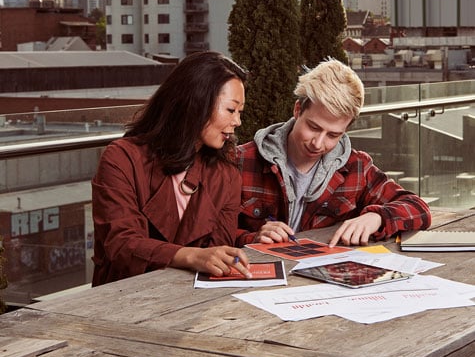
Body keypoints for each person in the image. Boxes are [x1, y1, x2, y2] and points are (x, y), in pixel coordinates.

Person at [92, 51, 251, 286]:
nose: (237, 122)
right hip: (121, 297)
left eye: (240, 112)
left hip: (191, 300)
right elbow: (121, 244)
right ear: (196, 102)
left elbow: (220, 249)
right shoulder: (121, 157)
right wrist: (190, 256)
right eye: (230, 110)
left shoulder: (225, 171)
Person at [236, 58, 431, 248]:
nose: (318, 143)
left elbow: (419, 209)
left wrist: (378, 217)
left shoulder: (356, 167)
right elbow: (210, 234)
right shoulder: (241, 161)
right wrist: (252, 237)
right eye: (313, 127)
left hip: (323, 275)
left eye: (333, 134)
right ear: (297, 110)